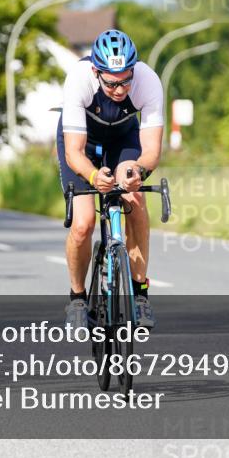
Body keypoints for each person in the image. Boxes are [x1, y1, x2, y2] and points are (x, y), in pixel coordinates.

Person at [57, 29, 164, 330]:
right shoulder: (79, 79)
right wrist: (92, 175)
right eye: (112, 83)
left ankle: (140, 293)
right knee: (83, 224)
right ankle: (77, 299)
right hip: (83, 142)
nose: (120, 89)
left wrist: (137, 172)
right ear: (96, 71)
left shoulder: (148, 81)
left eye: (126, 80)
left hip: (123, 137)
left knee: (135, 198)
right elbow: (75, 152)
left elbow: (152, 150)